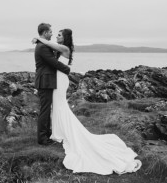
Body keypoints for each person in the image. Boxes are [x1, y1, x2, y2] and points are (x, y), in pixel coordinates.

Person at [33, 28, 142, 174]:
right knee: (58, 106)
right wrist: (39, 40)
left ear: (64, 37)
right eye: (55, 34)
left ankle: (61, 133)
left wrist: (38, 39)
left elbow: (51, 46)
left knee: (60, 106)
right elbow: (51, 51)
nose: (56, 36)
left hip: (60, 81)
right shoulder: (59, 49)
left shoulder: (64, 48)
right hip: (56, 80)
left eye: (59, 35)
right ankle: (59, 132)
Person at [34, 23, 72, 145]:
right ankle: (42, 138)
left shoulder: (44, 45)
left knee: (49, 108)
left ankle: (49, 133)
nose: (52, 34)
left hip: (50, 81)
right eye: (50, 32)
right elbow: (53, 62)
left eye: (57, 34)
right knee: (45, 109)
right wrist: (67, 70)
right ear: (45, 33)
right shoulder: (42, 47)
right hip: (45, 81)